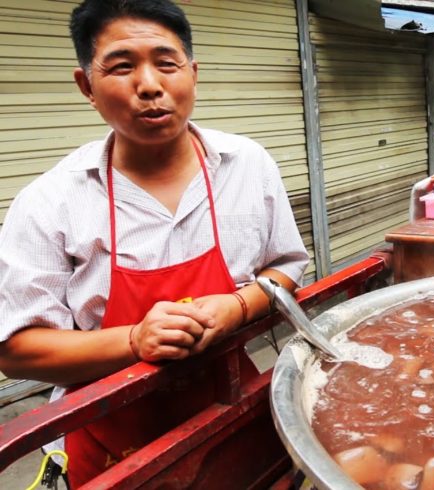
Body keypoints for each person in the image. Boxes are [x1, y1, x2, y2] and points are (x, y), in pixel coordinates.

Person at [0, 0, 309, 486]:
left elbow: (285, 268)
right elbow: (17, 350)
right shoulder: (48, 203)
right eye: (122, 67)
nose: (149, 85)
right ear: (87, 87)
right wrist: (134, 340)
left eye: (166, 63)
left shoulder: (248, 165)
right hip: (112, 445)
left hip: (234, 414)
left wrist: (236, 307)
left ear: (192, 72)